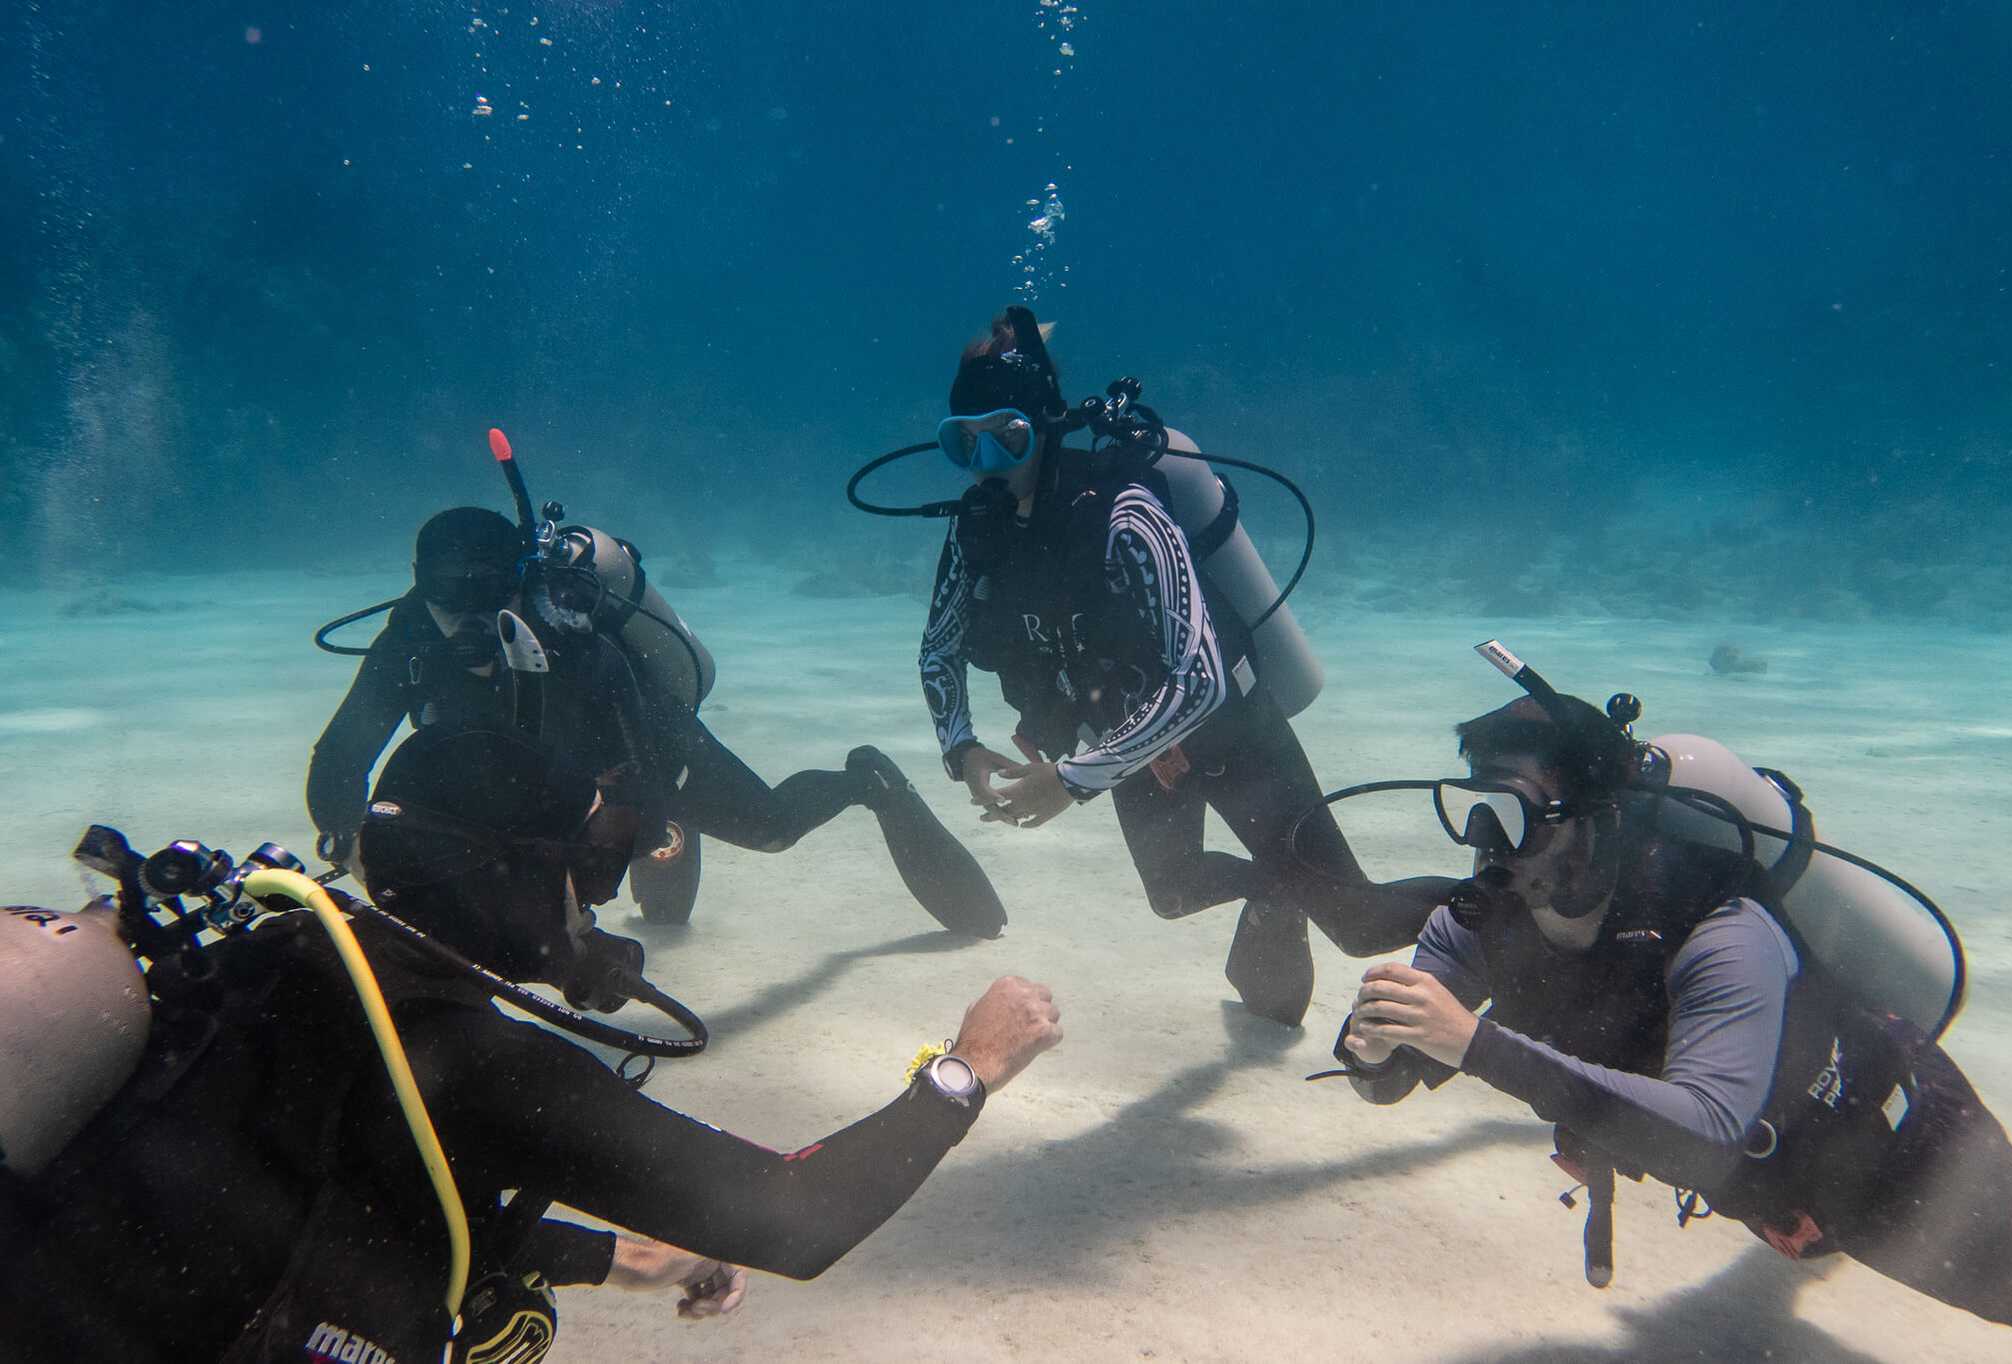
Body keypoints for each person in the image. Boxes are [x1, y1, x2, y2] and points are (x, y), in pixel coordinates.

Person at [1, 728, 1061, 1363]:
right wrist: (966, 1067)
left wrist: (618, 1255)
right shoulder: (474, 1062)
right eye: (588, 865)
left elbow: (319, 1197)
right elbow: (795, 1216)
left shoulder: (284, 957)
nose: (597, 897)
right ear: (499, 874)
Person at [1334, 657, 2012, 1333]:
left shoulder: (1720, 930)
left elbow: (1706, 1131)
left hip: (1893, 1151)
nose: (1486, 842)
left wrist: (1471, 1043)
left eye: (1510, 813)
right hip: (1767, 1179)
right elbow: (1389, 1079)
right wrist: (1371, 1057)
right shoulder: (1482, 921)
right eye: (1472, 809)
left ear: (1595, 817)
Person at [914, 306, 1446, 1024]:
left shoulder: (1124, 512)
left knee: (1355, 922)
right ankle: (1274, 891)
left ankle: (1510, 902)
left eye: (1004, 439)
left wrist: (1072, 779)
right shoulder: (976, 532)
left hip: (1232, 729)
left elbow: (1200, 679)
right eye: (963, 444)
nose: (987, 467)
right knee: (1172, 891)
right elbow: (938, 649)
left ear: (1041, 426)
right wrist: (961, 750)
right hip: (1129, 734)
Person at [309, 505, 1004, 936]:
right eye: (442, 594)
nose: (462, 617)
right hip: (546, 772)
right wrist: (346, 839)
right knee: (656, 915)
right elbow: (345, 748)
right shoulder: (407, 640)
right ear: (417, 583)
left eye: (484, 592)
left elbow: (636, 755)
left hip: (650, 744)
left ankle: (865, 782)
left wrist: (641, 827)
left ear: (516, 582)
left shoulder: (571, 636)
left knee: (767, 830)